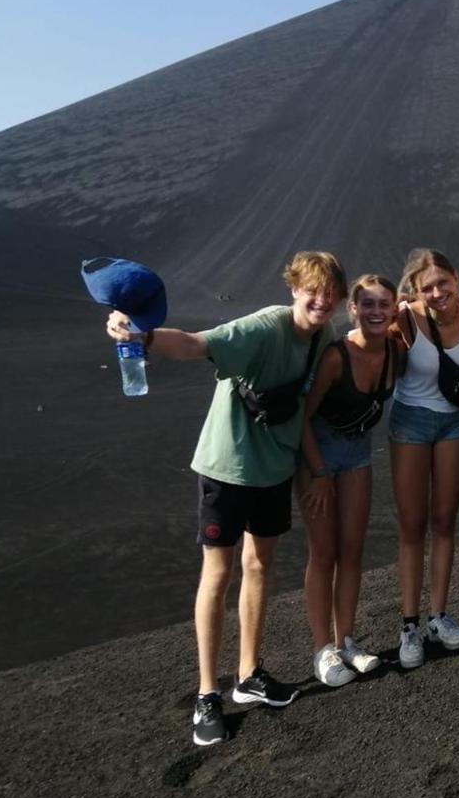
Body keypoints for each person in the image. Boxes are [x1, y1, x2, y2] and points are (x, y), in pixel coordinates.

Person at [105, 251, 342, 747]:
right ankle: (207, 694)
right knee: (218, 573)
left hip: (274, 469)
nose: (321, 301)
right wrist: (142, 336)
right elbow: (196, 344)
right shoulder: (262, 328)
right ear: (294, 289)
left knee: (259, 567)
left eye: (329, 293)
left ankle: (249, 674)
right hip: (228, 467)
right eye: (311, 290)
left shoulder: (324, 338)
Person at [299, 274, 403, 687]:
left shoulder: (396, 351)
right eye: (368, 304)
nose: (376, 311)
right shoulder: (335, 358)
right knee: (323, 552)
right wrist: (318, 472)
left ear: (394, 309)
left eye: (384, 304)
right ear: (353, 310)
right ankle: (322, 649)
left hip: (358, 454)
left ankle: (346, 640)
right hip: (317, 455)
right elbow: (303, 418)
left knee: (353, 550)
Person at [389, 249, 459, 668]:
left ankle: (438, 615)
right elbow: (371, 343)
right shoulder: (407, 318)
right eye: (427, 287)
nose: (436, 292)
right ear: (415, 291)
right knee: (413, 525)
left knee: (445, 521)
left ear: (457, 278)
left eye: (442, 283)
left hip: (456, 424)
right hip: (411, 422)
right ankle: (409, 623)